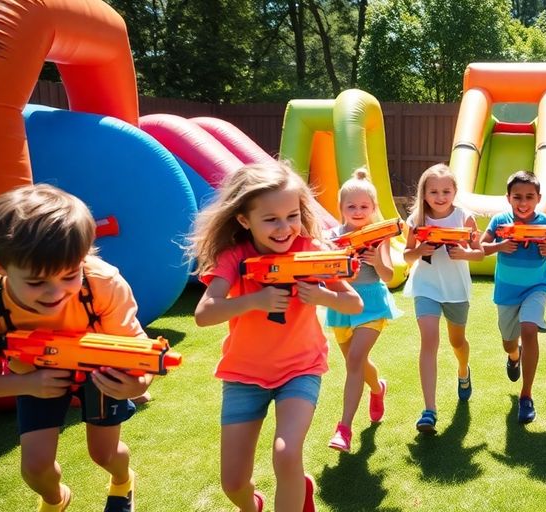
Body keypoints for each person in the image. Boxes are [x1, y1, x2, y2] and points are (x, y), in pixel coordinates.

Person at [191, 162, 362, 512]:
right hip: (243, 375)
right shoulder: (234, 256)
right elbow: (204, 314)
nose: (285, 228)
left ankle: (294, 490)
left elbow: (353, 303)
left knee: (286, 454)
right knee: (234, 483)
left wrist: (323, 297)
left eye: (292, 215)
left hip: (300, 369)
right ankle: (259, 503)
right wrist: (256, 300)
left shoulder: (312, 249)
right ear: (243, 220)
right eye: (271, 219)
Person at [0, 184, 153, 512]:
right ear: (0, 266)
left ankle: (123, 480)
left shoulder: (103, 284)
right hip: (37, 377)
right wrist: (28, 383)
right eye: (36, 282)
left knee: (105, 454)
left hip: (101, 372)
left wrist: (135, 385)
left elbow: (141, 358)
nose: (55, 292)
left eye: (69, 275)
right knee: (35, 469)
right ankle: (55, 499)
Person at [481, 170, 546, 424]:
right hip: (506, 293)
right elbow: (480, 247)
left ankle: (526, 395)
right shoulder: (499, 221)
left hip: (537, 288)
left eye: (529, 197)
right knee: (509, 342)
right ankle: (513, 355)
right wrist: (499, 246)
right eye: (517, 197)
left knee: (529, 329)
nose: (523, 202)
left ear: (538, 198)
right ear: (508, 198)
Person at [402, 163, 483, 433]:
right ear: (424, 194)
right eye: (433, 191)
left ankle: (463, 370)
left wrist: (464, 253)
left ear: (454, 191)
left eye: (446, 190)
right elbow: (406, 255)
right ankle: (429, 410)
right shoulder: (416, 220)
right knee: (429, 341)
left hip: (456, 289)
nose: (440, 196)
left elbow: (479, 252)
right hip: (426, 287)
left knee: (457, 342)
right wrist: (421, 249)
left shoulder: (464, 217)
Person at [326, 168, 401, 452]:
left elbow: (388, 275)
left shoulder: (378, 236)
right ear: (341, 208)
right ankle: (377, 388)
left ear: (373, 209)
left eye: (364, 206)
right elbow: (324, 272)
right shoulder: (331, 237)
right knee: (354, 362)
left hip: (372, 305)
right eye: (351, 206)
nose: (358, 211)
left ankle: (344, 429)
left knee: (355, 360)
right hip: (341, 304)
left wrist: (375, 259)